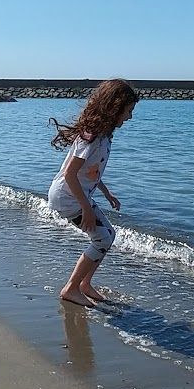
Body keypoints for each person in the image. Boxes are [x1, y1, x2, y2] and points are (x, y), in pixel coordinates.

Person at [47, 78, 140, 306]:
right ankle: (71, 288)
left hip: (76, 195)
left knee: (109, 235)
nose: (129, 117)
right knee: (102, 238)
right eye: (128, 111)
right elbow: (70, 174)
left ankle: (84, 284)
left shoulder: (104, 134)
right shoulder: (92, 135)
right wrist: (87, 209)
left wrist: (107, 193)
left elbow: (91, 172)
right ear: (114, 107)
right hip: (67, 197)